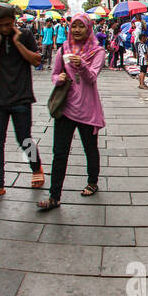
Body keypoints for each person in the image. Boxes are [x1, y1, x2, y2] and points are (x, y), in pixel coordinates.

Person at [39, 15, 108, 211]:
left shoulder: (97, 51)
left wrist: (82, 64)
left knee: (90, 148)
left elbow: (92, 77)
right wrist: (58, 78)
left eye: (81, 26)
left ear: (88, 29)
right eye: (74, 26)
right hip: (66, 108)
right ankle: (54, 197)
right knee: (59, 153)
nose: (77, 30)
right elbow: (55, 74)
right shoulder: (63, 49)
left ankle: (92, 182)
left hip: (87, 110)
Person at [0, 5, 46, 200]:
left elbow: (36, 60)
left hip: (21, 96)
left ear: (14, 21)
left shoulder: (25, 35)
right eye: (1, 25)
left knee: (24, 139)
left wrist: (17, 43)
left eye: (9, 24)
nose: (6, 28)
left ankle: (36, 167)